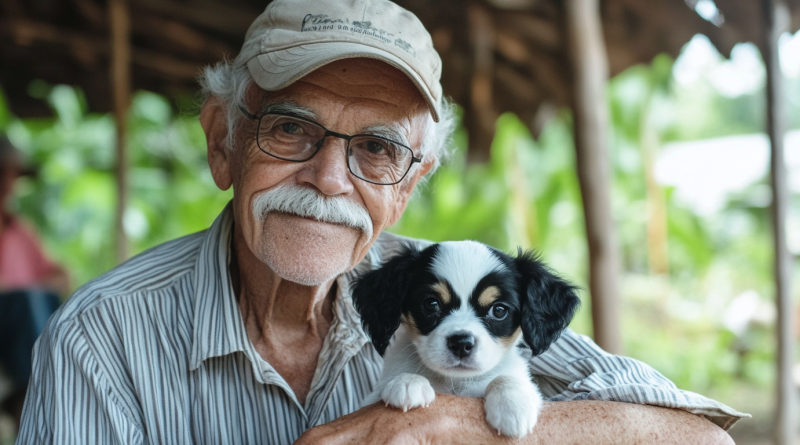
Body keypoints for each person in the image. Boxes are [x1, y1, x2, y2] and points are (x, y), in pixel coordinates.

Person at [17, 0, 747, 443]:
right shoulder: (101, 338)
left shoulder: (442, 283)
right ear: (222, 142)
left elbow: (699, 436)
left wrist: (445, 426)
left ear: (409, 185)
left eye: (376, 148)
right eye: (290, 129)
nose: (330, 178)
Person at [0, 137, 67, 430]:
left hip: (25, 323)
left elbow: (59, 274)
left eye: (12, 172)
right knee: (27, 301)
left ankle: (44, 385)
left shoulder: (20, 229)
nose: (9, 180)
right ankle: (34, 390)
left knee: (45, 301)